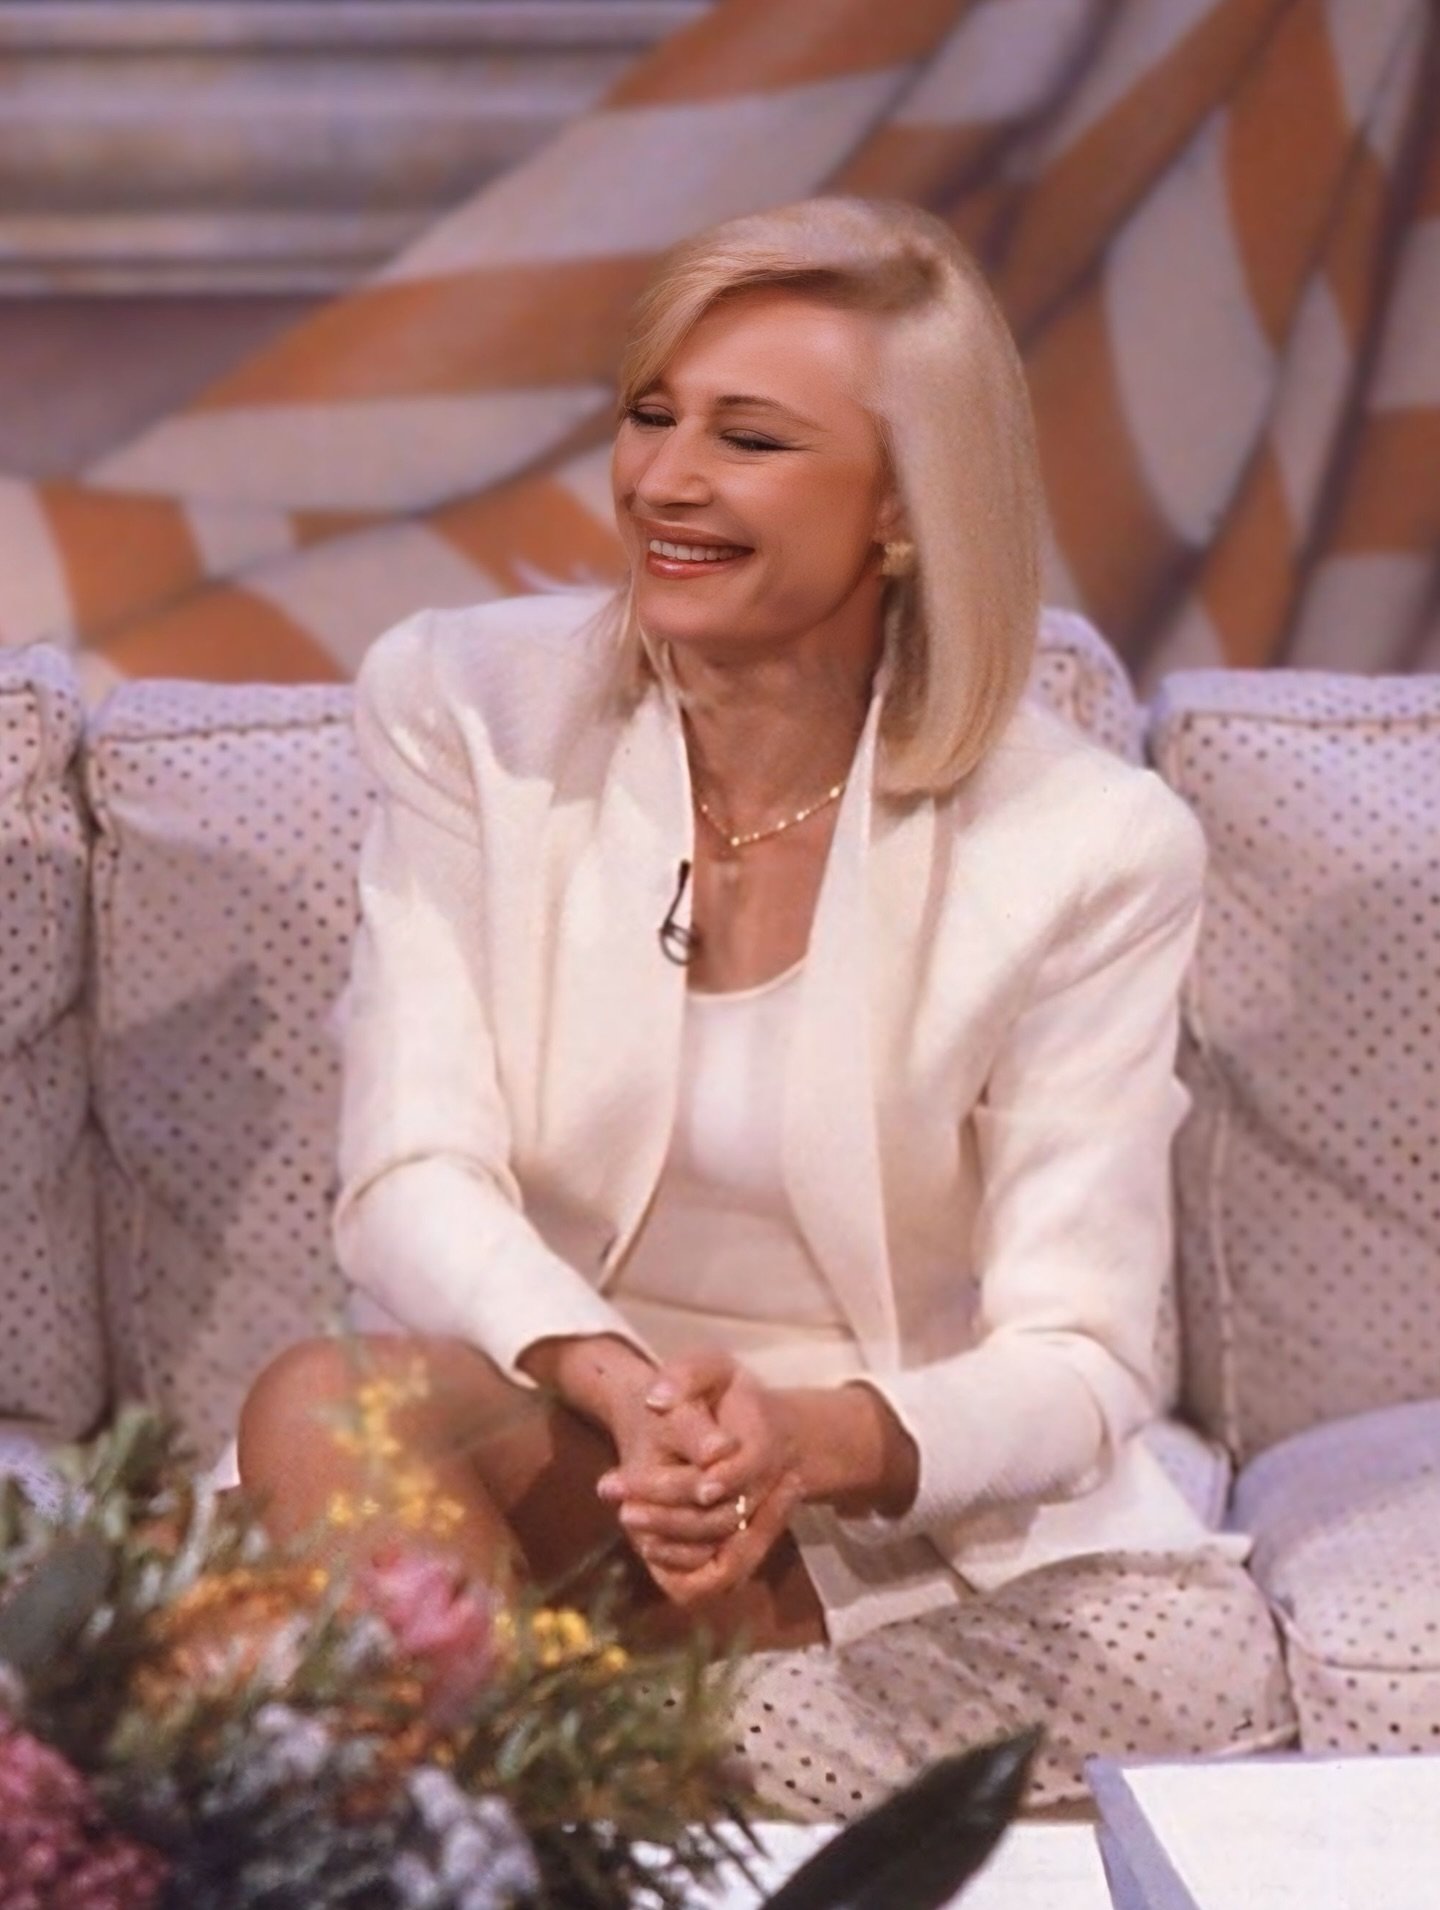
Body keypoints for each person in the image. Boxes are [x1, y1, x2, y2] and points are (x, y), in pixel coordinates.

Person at [237, 196, 1290, 1812]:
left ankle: (522, 1790)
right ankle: (546, 1812)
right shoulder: (469, 706)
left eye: (749, 438)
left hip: (866, 1504)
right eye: (650, 414)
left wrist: (809, 1437)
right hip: (555, 1430)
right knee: (326, 1403)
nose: (664, 479)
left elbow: (1080, 1354)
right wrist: (617, 1383)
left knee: (1155, 1654)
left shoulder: (1085, 848)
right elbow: (406, 1174)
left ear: (905, 507)